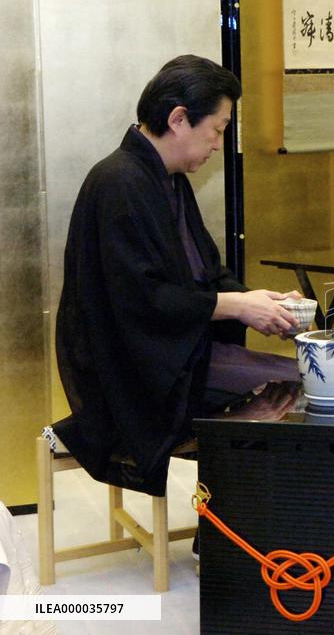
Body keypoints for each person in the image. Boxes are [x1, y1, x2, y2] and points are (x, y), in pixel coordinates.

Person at [55, 55, 303, 496]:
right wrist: (235, 306)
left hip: (171, 354)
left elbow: (205, 273)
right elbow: (140, 300)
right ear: (179, 119)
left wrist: (256, 302)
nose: (217, 144)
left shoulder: (166, 179)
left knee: (296, 382)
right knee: (296, 384)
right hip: (129, 372)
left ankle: (229, 527)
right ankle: (229, 530)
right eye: (219, 129)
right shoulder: (118, 182)